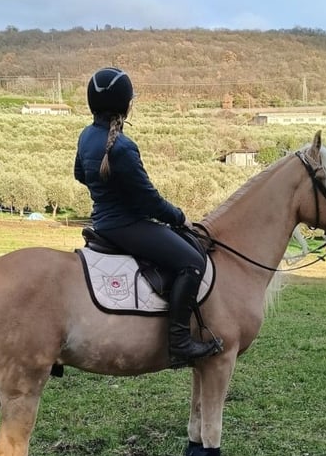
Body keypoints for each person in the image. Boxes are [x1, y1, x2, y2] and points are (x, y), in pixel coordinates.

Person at [74, 67, 223, 367]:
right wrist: (178, 216)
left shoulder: (87, 136)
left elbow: (80, 174)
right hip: (127, 225)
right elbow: (149, 201)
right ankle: (180, 341)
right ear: (126, 105)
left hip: (103, 222)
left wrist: (107, 190)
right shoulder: (123, 147)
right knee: (192, 262)